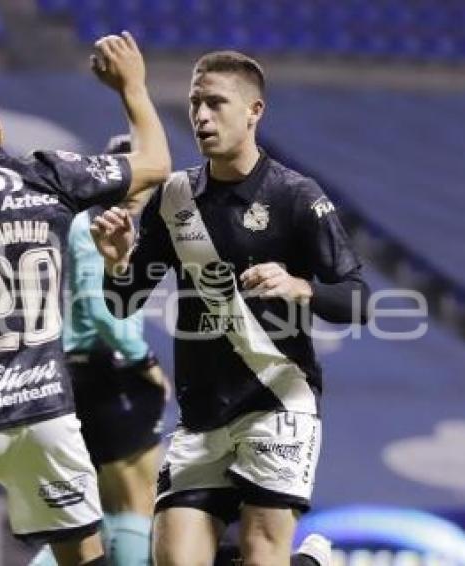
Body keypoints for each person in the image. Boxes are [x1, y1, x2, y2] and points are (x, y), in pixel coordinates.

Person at [0, 31, 170, 566]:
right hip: (48, 411)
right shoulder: (49, 174)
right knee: (85, 557)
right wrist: (132, 86)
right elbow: (154, 162)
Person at [91, 51, 370, 566]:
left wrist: (300, 286)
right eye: (196, 103)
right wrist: (114, 264)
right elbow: (122, 301)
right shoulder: (173, 199)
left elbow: (358, 299)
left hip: (278, 405)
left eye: (215, 103)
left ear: (253, 111)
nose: (200, 116)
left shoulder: (295, 197)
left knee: (262, 554)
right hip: (200, 420)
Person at [30, 135, 171, 566]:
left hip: (78, 372)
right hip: (112, 372)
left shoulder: (80, 222)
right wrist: (144, 362)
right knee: (136, 502)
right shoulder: (102, 225)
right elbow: (101, 305)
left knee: (90, 511)